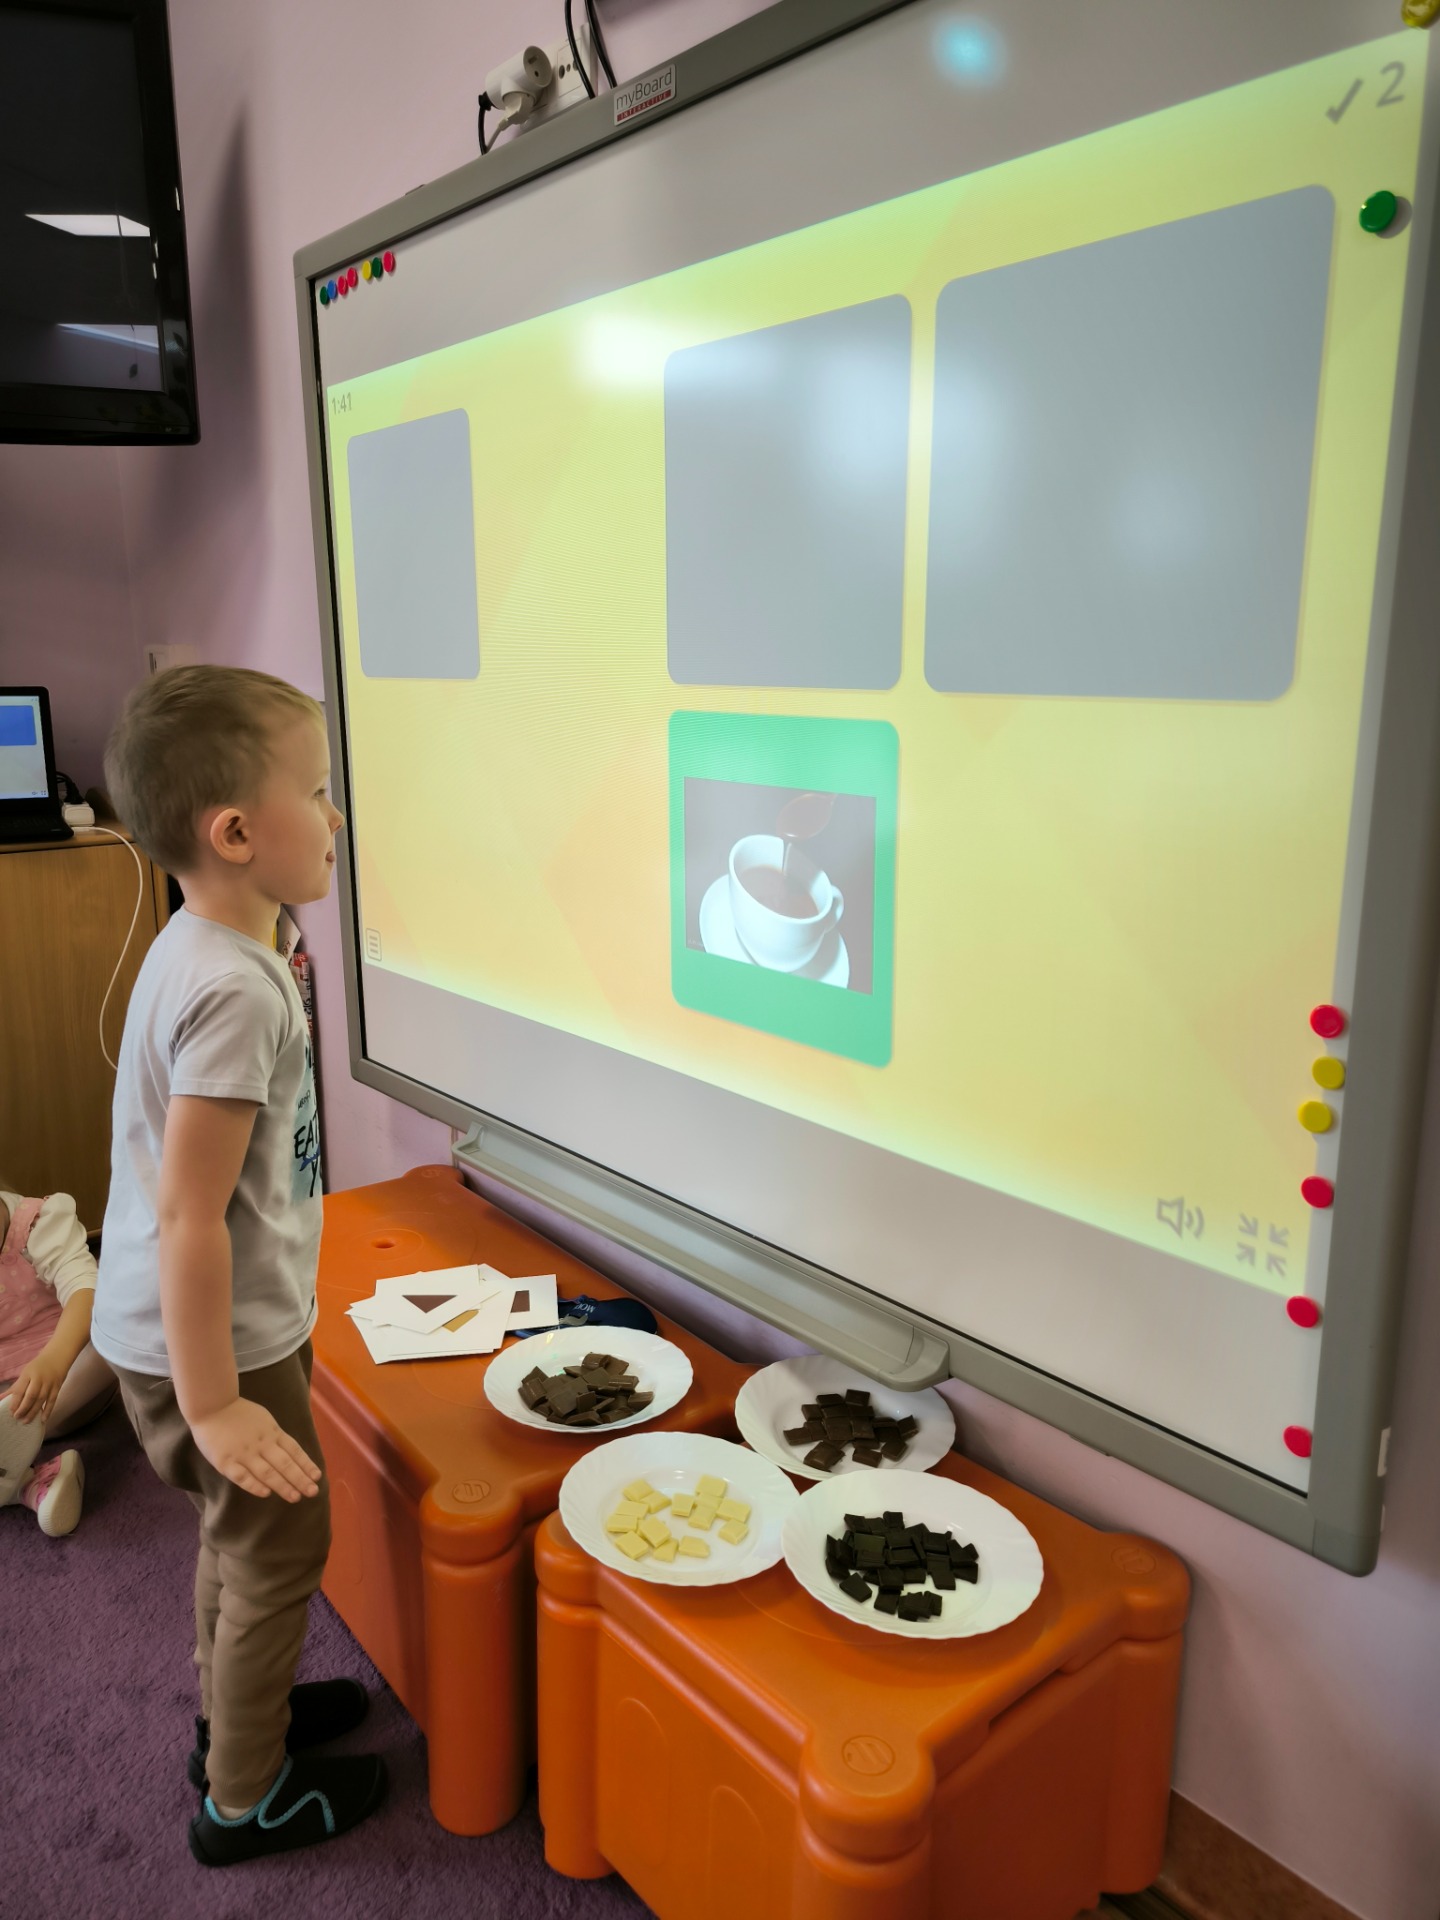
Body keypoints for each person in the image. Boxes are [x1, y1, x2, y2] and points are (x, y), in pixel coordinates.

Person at [93, 665, 385, 1866]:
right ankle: (245, 1796)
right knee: (280, 1548)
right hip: (210, 1345)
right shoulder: (232, 992)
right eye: (314, 792)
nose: (335, 816)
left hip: (197, 1330)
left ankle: (232, 1723)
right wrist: (214, 1404)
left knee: (237, 1534)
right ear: (234, 834)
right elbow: (189, 1216)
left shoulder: (217, 943)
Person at [0, 1179, 116, 1535]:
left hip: (65, 1383)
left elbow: (85, 1289)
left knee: (120, 1329)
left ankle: (11, 1457)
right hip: (7, 1399)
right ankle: (29, 1484)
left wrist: (54, 1360)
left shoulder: (38, 1223)